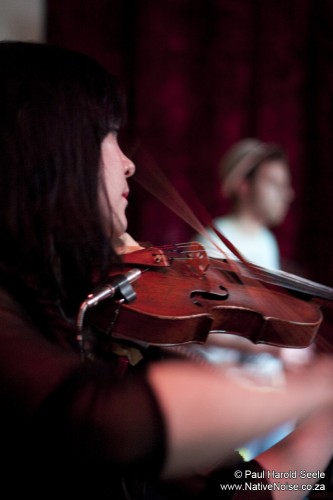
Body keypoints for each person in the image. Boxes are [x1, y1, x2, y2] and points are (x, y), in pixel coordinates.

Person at [1, 41, 333, 500]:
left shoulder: (103, 316)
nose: (129, 163)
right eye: (108, 136)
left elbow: (236, 489)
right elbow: (101, 418)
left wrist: (324, 424)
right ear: (52, 148)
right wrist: (312, 386)